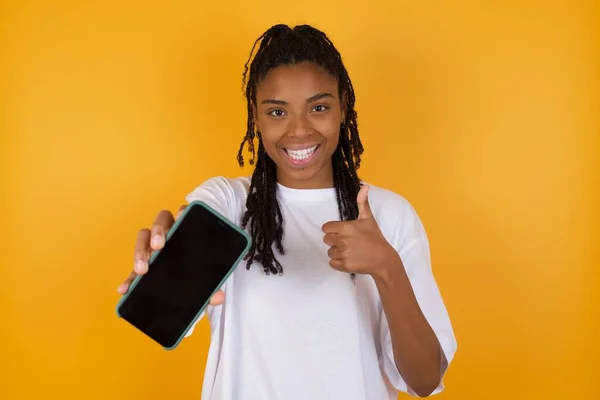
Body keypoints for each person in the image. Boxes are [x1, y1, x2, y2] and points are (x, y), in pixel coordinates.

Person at [118, 24, 457, 400]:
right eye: (277, 111)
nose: (299, 131)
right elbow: (165, 300)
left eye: (319, 107)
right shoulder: (229, 204)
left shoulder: (389, 215)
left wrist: (386, 268)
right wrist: (163, 260)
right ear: (256, 117)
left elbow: (424, 381)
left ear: (343, 105)